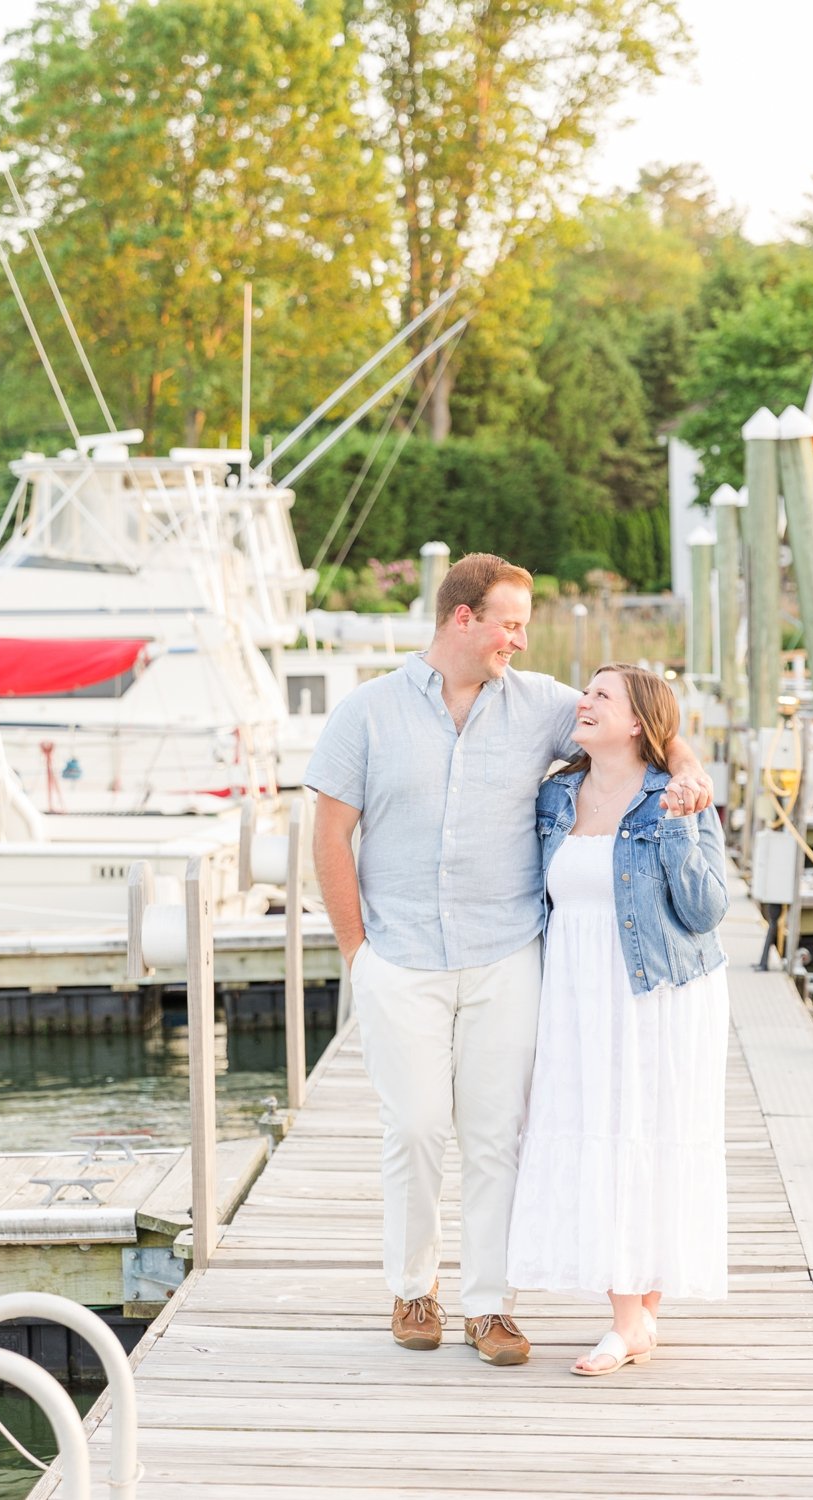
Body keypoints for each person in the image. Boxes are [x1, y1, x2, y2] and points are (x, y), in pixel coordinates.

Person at [305, 555, 712, 1367]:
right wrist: (359, 953)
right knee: (415, 1128)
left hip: (507, 954)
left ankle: (489, 1306)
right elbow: (329, 837)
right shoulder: (366, 713)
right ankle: (413, 1289)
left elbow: (645, 732)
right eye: (510, 623)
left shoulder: (545, 708)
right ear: (463, 618)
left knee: (498, 1136)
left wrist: (692, 769)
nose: (521, 641)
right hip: (402, 956)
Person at [506, 662, 729, 1376]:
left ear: (638, 722)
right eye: (587, 691)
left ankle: (631, 1320)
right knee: (601, 1130)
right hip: (574, 991)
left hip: (657, 991)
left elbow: (706, 910)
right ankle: (637, 1317)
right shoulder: (555, 796)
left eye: (603, 695)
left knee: (651, 1134)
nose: (585, 701)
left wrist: (685, 824)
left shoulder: (676, 795)